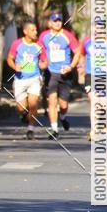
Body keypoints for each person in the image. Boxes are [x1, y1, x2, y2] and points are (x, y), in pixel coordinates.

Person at [39, 11, 80, 139]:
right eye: (55, 21)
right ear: (49, 23)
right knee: (52, 101)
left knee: (63, 105)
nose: (58, 23)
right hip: (51, 73)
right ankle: (54, 129)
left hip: (65, 73)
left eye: (59, 21)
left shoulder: (67, 36)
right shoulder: (44, 36)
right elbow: (39, 51)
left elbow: (77, 52)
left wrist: (71, 67)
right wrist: (41, 64)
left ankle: (63, 117)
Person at [7, 21, 47, 139]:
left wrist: (42, 65)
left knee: (33, 104)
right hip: (20, 80)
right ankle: (24, 115)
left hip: (34, 78)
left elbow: (45, 61)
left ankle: (31, 129)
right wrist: (15, 67)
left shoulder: (39, 45)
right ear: (25, 31)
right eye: (33, 30)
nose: (36, 32)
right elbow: (10, 58)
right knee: (21, 108)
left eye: (36, 30)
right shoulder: (17, 44)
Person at [80, 22, 107, 140]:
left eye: (101, 28)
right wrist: (80, 68)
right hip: (90, 75)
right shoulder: (87, 42)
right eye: (96, 27)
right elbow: (81, 55)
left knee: (104, 104)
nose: (99, 30)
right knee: (94, 101)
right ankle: (94, 129)